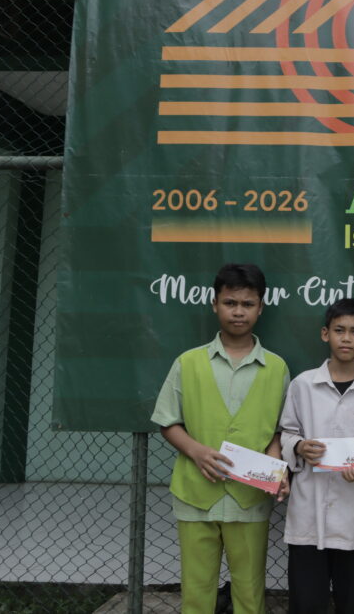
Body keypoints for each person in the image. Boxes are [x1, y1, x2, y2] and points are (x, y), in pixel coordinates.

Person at [151, 263, 289, 614]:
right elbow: (168, 421)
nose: (238, 311)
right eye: (230, 303)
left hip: (250, 495)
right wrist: (195, 451)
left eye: (247, 304)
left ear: (260, 307)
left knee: (250, 591)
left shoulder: (276, 368)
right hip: (195, 494)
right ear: (215, 304)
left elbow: (279, 428)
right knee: (196, 591)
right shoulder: (188, 362)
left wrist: (275, 461)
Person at [279, 298, 354, 614]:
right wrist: (299, 447)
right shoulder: (302, 385)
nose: (346, 338)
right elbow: (286, 432)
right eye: (339, 330)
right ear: (325, 334)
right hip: (308, 512)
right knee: (306, 604)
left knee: (352, 604)